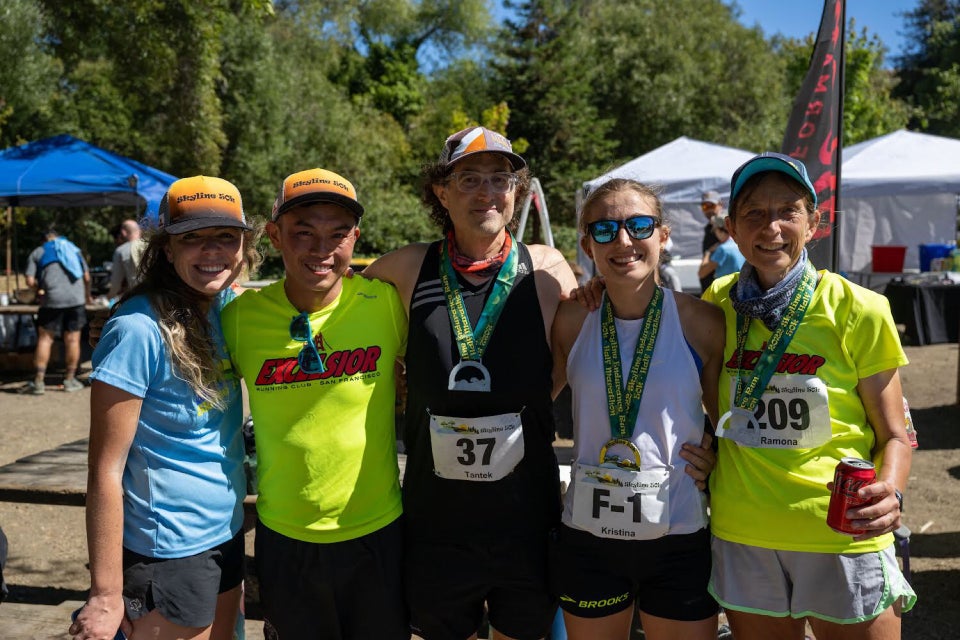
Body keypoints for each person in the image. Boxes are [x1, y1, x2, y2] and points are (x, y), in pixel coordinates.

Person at [362, 126, 578, 640]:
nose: (487, 192)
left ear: (516, 192)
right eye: (469, 178)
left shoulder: (546, 269)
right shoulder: (406, 267)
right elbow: (342, 315)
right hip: (437, 518)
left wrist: (520, 409)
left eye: (500, 179)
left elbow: (577, 357)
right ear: (442, 191)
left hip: (524, 514)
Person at [702, 152, 916, 639]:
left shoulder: (860, 308)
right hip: (745, 531)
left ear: (813, 222)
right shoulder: (714, 304)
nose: (771, 226)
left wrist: (891, 491)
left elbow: (896, 436)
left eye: (787, 211)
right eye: (754, 213)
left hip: (843, 531)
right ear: (732, 228)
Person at [220, 168, 409, 640]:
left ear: (356, 238)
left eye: (337, 233)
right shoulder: (239, 319)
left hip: (378, 532)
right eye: (303, 232)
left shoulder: (386, 303)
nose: (321, 248)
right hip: (286, 537)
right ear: (275, 236)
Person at [69, 176, 260, 640]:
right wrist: (106, 593)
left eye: (224, 237)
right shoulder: (136, 329)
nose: (210, 251)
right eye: (191, 238)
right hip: (166, 550)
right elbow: (105, 470)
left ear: (243, 247)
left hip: (225, 532)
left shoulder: (225, 305)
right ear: (166, 249)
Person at [549, 178, 722, 640]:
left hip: (678, 532)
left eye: (638, 225)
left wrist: (716, 453)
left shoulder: (701, 321)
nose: (622, 241)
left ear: (663, 236)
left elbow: (729, 418)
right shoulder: (571, 319)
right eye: (604, 230)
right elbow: (526, 401)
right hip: (589, 535)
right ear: (587, 244)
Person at [24, 226, 92, 394]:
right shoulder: (73, 249)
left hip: (51, 300)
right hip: (76, 300)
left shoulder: (38, 252)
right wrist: (87, 296)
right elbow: (87, 277)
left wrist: (40, 287)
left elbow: (29, 280)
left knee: (45, 339)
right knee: (73, 340)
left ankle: (39, 382)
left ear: (44, 239)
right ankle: (69, 380)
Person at [697, 214, 744, 282]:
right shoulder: (740, 244)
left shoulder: (722, 249)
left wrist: (708, 253)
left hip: (726, 289)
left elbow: (701, 273)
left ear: (719, 230)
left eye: (714, 231)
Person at [107, 219, 145, 300]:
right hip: (158, 296)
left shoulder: (121, 250)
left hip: (138, 297)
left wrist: (109, 297)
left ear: (123, 232)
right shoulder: (151, 245)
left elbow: (116, 283)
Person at [698, 190, 724, 293]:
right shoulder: (709, 227)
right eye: (705, 207)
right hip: (710, 287)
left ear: (720, 205)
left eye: (711, 206)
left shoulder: (726, 224)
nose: (708, 210)